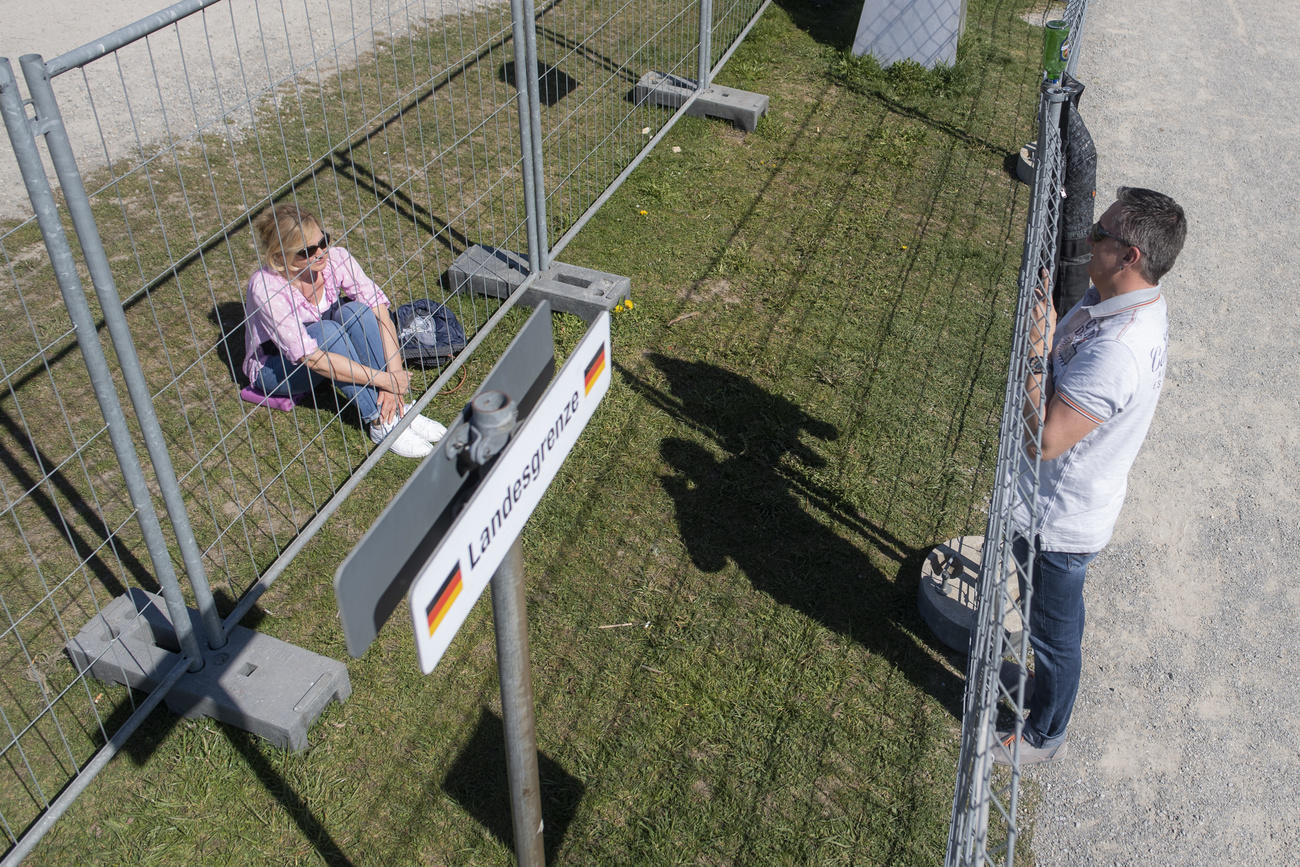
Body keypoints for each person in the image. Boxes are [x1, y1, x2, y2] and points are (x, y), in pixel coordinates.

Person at [997, 187, 1187, 765]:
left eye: (1100, 234)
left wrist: (1033, 348)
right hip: (1059, 505)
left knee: (1054, 639)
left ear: (1130, 256)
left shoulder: (1118, 351)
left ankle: (1044, 734)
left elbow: (1047, 439)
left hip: (1059, 523)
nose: (1087, 240)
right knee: (1042, 619)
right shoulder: (1126, 301)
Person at [241, 204, 446, 459]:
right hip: (278, 367)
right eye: (307, 251)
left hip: (326, 345)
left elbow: (380, 311)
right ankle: (381, 422)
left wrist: (394, 379)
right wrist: (383, 380)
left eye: (323, 241)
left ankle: (400, 407)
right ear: (281, 257)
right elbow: (311, 358)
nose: (321, 252)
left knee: (357, 312)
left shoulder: (336, 258)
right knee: (328, 333)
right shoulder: (266, 287)